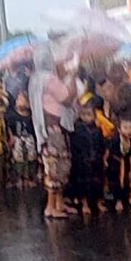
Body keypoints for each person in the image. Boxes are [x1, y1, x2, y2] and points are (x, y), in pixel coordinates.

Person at [40, 59, 78, 218]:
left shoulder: (44, 79)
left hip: (56, 128)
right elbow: (68, 98)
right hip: (53, 129)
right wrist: (73, 76)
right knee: (54, 167)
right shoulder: (49, 80)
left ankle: (59, 202)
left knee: (62, 165)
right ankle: (51, 206)